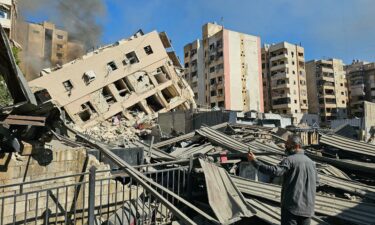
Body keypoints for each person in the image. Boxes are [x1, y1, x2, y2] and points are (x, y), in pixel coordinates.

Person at [247, 134, 317, 225]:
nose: (285, 146)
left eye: (288, 144)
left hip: (291, 208)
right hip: (308, 209)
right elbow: (317, 183)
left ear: (297, 146)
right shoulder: (312, 163)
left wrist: (254, 161)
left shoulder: (289, 160)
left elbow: (274, 172)